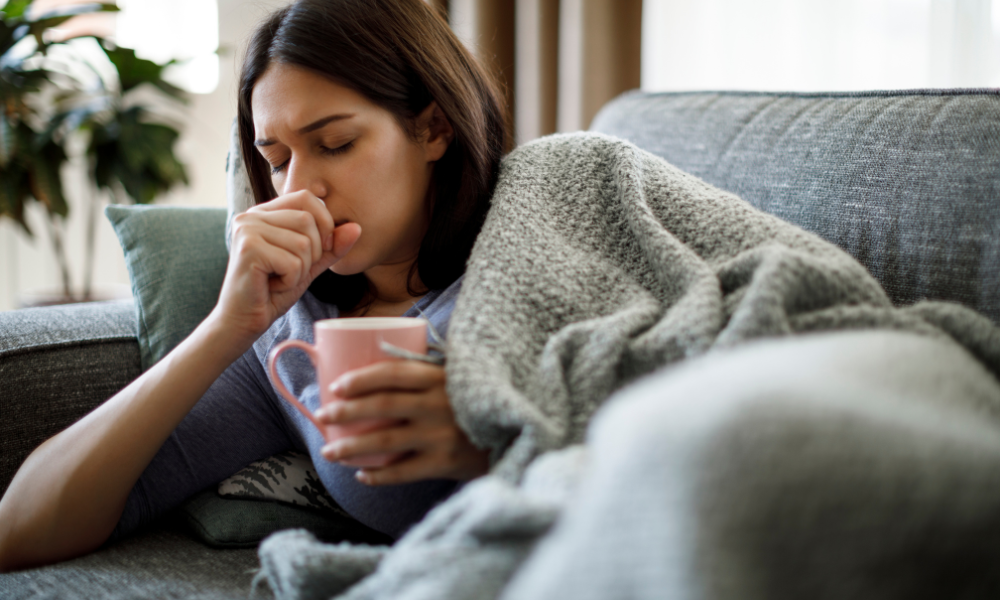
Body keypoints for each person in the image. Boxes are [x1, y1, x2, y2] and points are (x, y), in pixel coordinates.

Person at [0, 0, 507, 572]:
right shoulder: (290, 338)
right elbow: (18, 531)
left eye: (335, 144)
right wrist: (225, 328)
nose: (299, 190)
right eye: (277, 159)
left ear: (434, 127)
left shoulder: (535, 252)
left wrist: (499, 449)